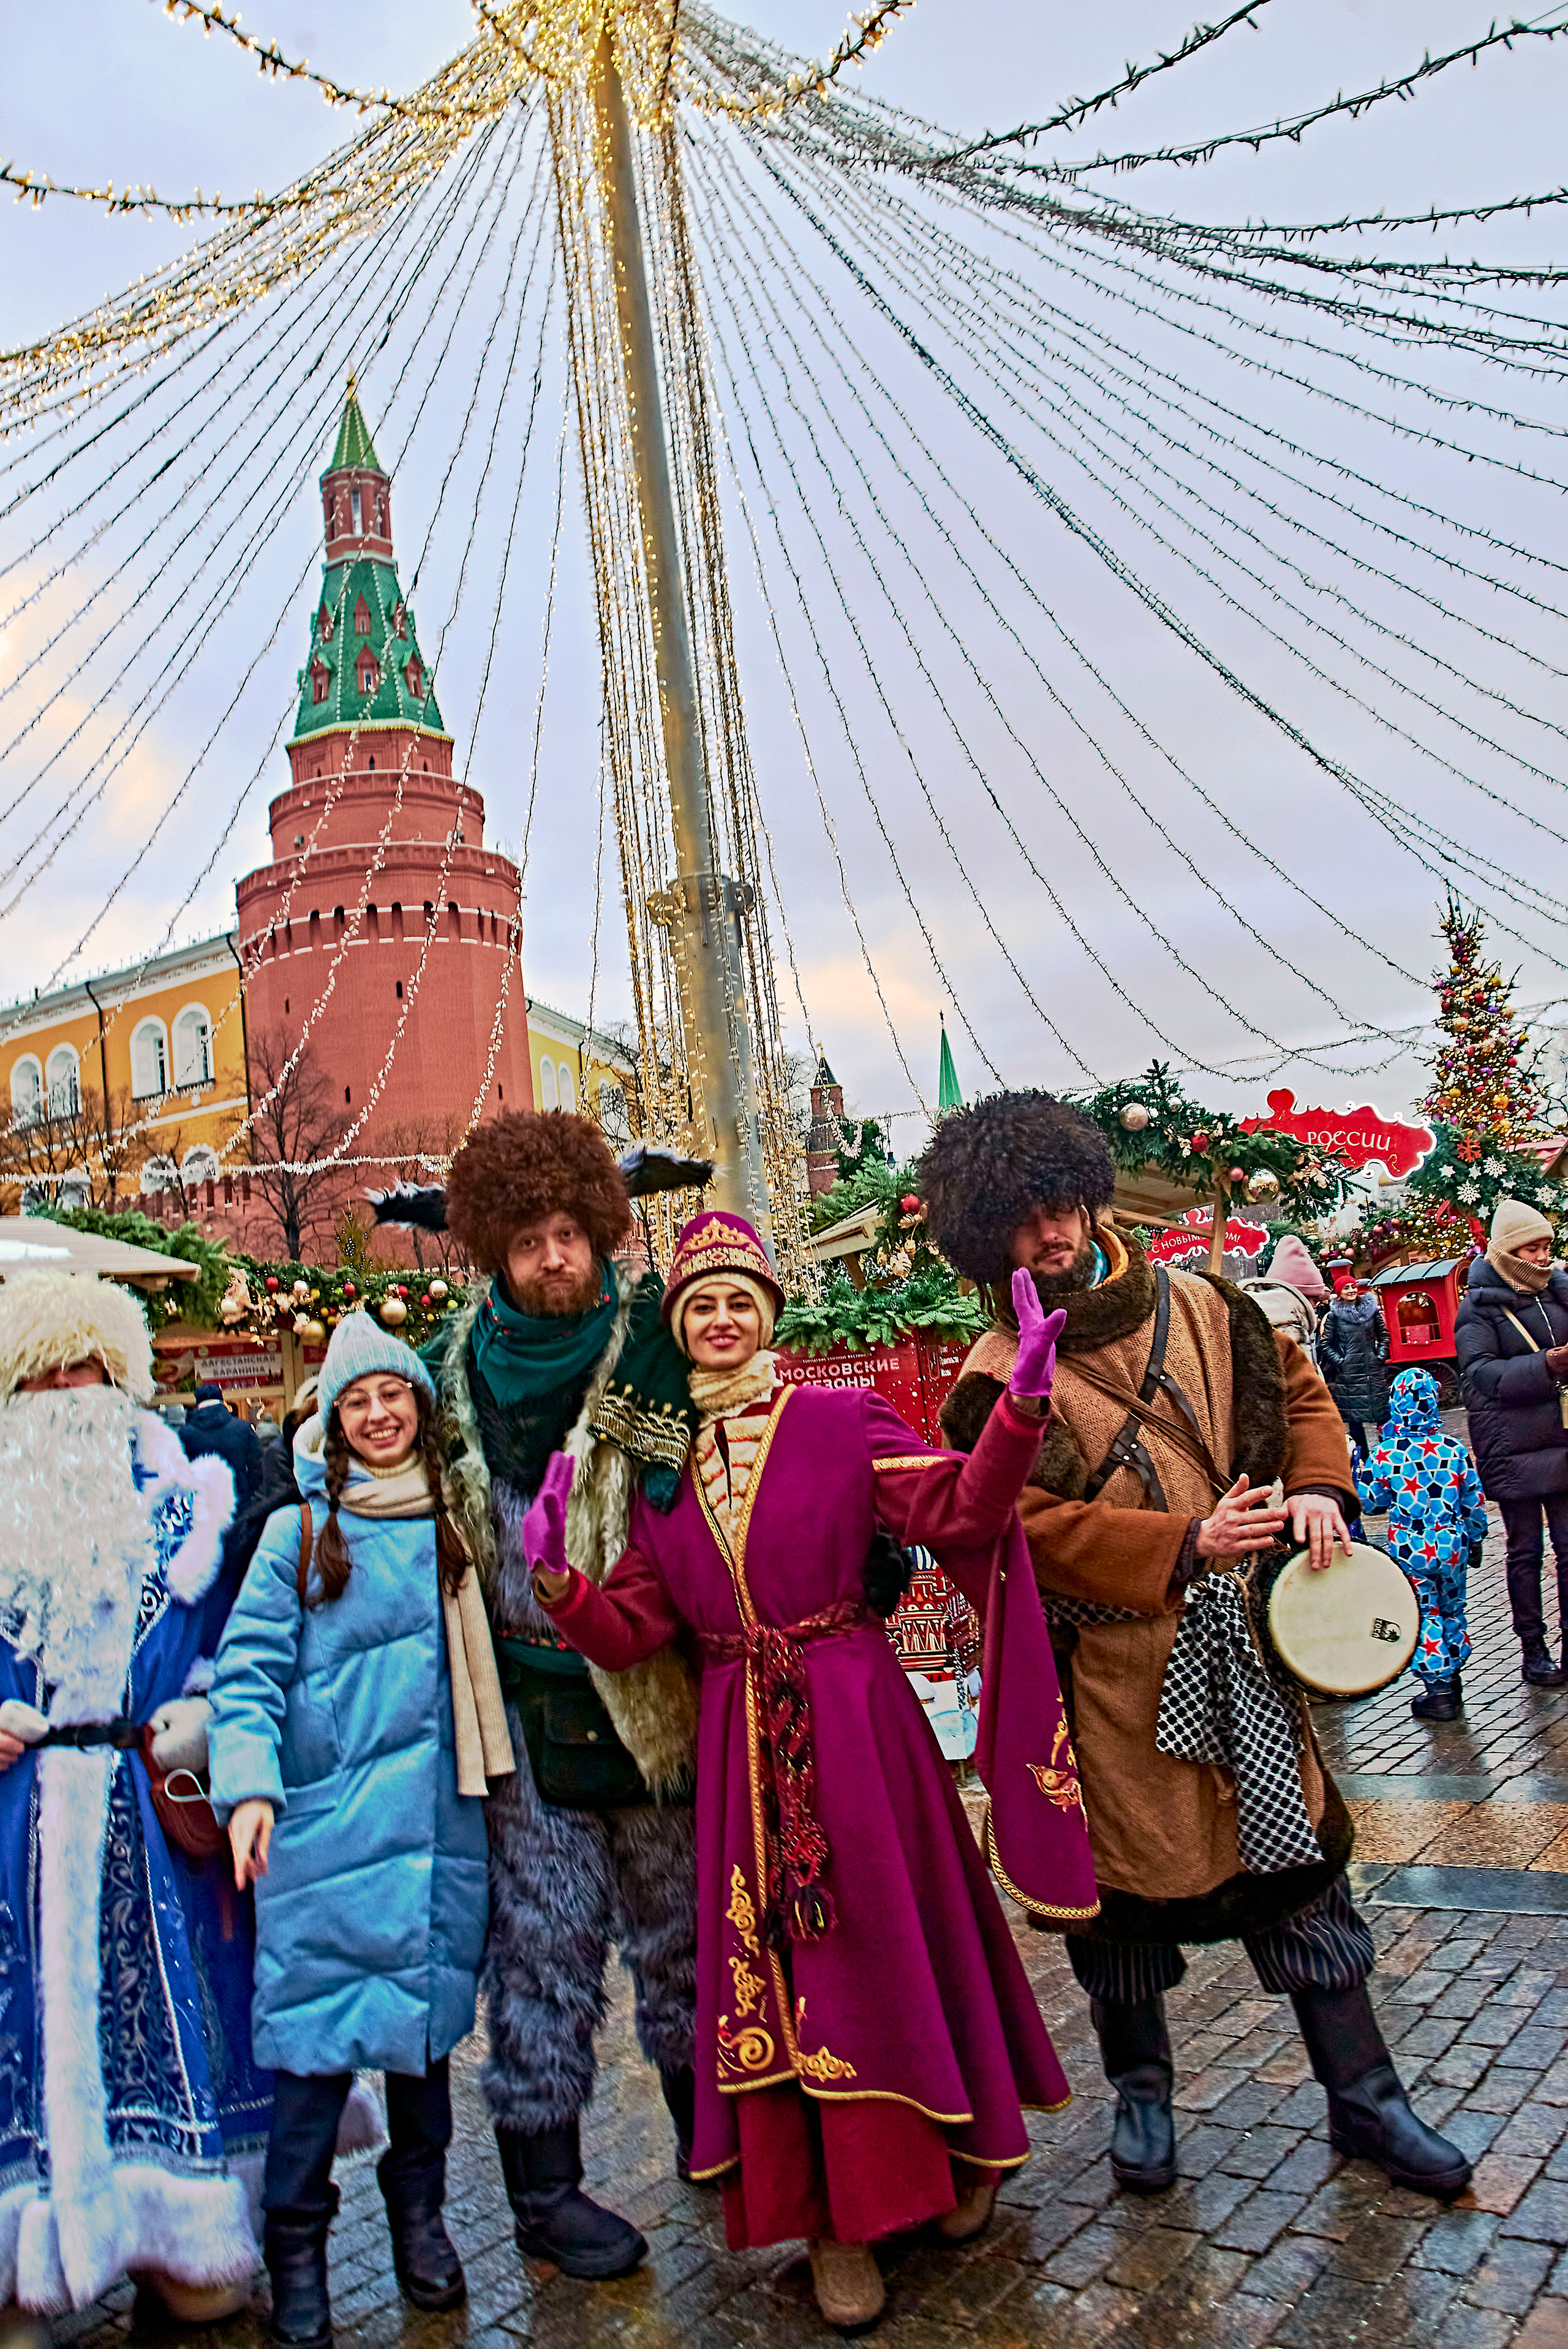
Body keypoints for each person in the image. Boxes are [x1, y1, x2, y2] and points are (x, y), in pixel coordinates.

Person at [526, 1212, 1095, 2334]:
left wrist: (1024, 1403)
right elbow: (638, 1625)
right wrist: (560, 1587)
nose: (724, 1320)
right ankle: (837, 2219)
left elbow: (959, 1508)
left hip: (857, 1717)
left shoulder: (837, 1420)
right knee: (789, 1969)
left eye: (741, 1300)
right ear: (682, 1333)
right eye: (702, 1307)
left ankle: (960, 2151)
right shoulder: (661, 1472)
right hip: (744, 1741)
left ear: (770, 1315)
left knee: (895, 1931)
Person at [919, 1092, 1472, 2203]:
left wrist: (1320, 1490)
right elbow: (1014, 1526)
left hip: (1249, 1657)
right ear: (988, 1238)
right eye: (1022, 1221)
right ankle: (1144, 2101)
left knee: (1303, 1876)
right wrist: (1182, 1539)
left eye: (1060, 1205)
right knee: (1119, 1908)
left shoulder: (1211, 1305)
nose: (1052, 1233)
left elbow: (1305, 1397)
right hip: (1113, 1683)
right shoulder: (991, 1375)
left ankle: (1370, 2102)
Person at [405, 1112, 703, 2279]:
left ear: (601, 1232)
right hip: (525, 1718)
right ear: (493, 1247)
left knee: (682, 1937)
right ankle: (546, 2191)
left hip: (651, 1698)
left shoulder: (651, 1346)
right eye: (528, 1239)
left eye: (570, 1233)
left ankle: (713, 2144)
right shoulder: (447, 1368)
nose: (553, 1259)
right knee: (539, 1947)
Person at [208, 1313, 513, 2349]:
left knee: (424, 2067)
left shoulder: (453, 1523)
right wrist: (247, 1788)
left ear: (419, 1410)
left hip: (436, 1837)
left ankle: (420, 2226)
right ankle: (299, 2254)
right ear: (332, 1418)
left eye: (394, 1396)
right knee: (311, 2073)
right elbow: (243, 1677)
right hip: (329, 1844)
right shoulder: (298, 1532)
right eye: (358, 1400)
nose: (379, 1415)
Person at [0, 1272, 268, 2327]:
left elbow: (235, 1657)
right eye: (45, 1373)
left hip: (150, 1827)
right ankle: (25, 2244)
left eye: (92, 1370)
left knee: (170, 2015)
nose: (71, 1394)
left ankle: (173, 2231)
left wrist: (199, 1722)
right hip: (13, 1823)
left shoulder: (188, 1508)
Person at [1455, 1197, 1568, 1686]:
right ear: (1507, 1251)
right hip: (1512, 1443)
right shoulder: (1479, 1305)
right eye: (1533, 1247)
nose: (1544, 1256)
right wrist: (1547, 1366)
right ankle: (1533, 1647)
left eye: (1547, 1246)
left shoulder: (1561, 1290)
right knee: (1525, 1549)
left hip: (1561, 1436)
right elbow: (1481, 1374)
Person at [1355, 1368, 1488, 1724]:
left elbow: (1369, 1502)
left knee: (1424, 1613)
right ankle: (1454, 1674)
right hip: (1451, 1544)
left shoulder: (1386, 1455)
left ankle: (1439, 1689)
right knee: (1453, 1609)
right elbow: (1473, 1500)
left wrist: (1360, 1474)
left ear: (1397, 1405)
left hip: (1412, 1547)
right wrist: (1476, 1537)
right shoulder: (1453, 1450)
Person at [1318, 1276, 1390, 1458]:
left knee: (1383, 1415)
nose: (1351, 1291)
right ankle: (1364, 1460)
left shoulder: (1371, 1311)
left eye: (1353, 1287)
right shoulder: (1334, 1316)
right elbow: (1326, 1344)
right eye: (1346, 1288)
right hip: (1349, 1376)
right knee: (1356, 1421)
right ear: (1339, 1292)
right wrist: (1343, 1362)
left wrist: (1380, 1356)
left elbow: (1384, 1336)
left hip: (1373, 1371)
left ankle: (1389, 1454)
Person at [1242, 1235, 1329, 1367]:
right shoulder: (1291, 1330)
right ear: (1300, 1296)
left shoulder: (1247, 1316)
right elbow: (1305, 1385)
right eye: (1314, 1300)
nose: (1314, 1307)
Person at [181, 1379, 264, 1505]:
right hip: (239, 1502)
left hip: (203, 1505)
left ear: (198, 1404)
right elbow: (258, 1467)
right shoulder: (243, 1428)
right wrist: (249, 1494)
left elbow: (181, 1474)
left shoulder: (185, 1434)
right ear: (222, 1401)